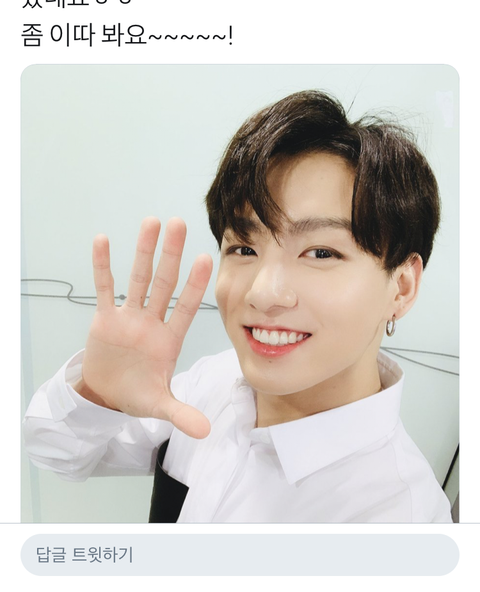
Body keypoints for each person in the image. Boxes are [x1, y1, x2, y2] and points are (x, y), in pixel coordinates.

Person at [23, 90, 453, 523]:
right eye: (245, 249)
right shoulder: (212, 383)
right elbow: (55, 451)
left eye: (321, 253)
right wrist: (99, 393)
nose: (263, 293)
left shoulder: (402, 518)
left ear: (401, 287)